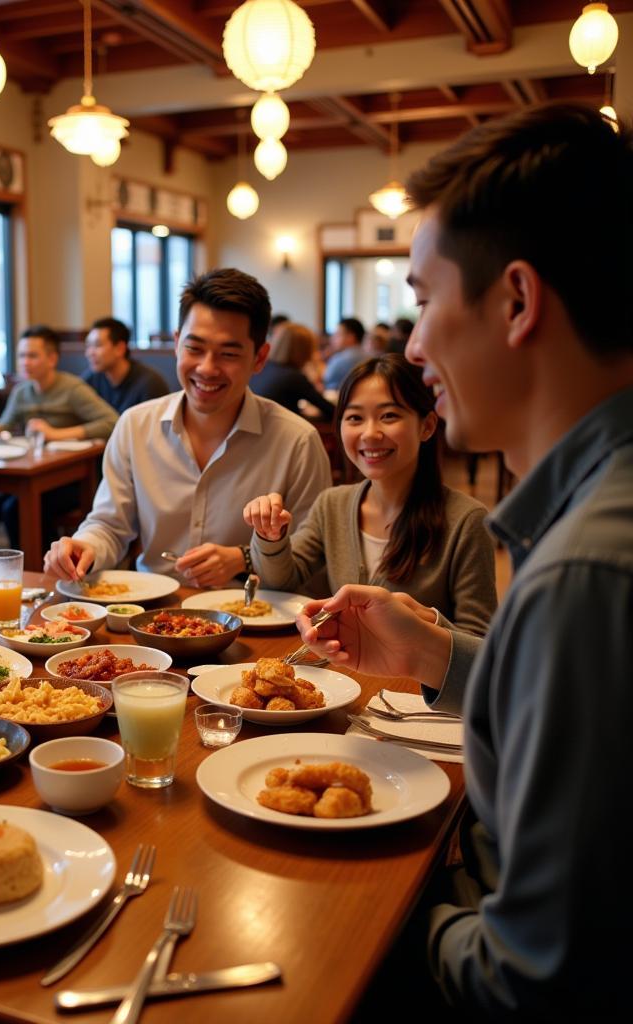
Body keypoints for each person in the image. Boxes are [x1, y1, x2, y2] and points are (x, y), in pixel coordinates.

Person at [295, 105, 632, 1017]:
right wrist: (436, 655)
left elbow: (533, 973)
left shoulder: (585, 573)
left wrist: (398, 909)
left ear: (517, 302)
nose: (411, 347)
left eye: (422, 300)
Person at [44, 268, 331, 586]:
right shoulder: (135, 426)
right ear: (177, 343)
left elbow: (312, 557)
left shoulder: (297, 441)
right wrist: (86, 546)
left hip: (252, 616)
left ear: (260, 357)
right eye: (194, 348)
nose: (207, 368)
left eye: (229, 353)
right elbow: (111, 524)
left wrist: (244, 557)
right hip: (152, 614)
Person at [245, 354, 496, 636]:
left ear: (426, 426)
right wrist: (270, 536)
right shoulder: (333, 504)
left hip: (412, 681)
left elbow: (481, 644)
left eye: (389, 416)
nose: (370, 433)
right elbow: (281, 583)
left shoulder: (466, 521)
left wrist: (427, 621)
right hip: (341, 676)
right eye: (354, 418)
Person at [0, 325, 118, 442]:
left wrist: (55, 434)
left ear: (52, 359)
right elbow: (4, 424)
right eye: (21, 356)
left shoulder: (73, 389)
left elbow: (112, 422)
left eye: (32, 356)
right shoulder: (20, 391)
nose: (25, 362)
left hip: (69, 461)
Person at [82, 316, 169, 414]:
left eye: (97, 345)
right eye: (88, 346)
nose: (89, 353)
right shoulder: (90, 379)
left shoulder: (149, 384)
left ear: (120, 349)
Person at [252, 320, 335, 421]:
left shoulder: (263, 368)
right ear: (304, 349)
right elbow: (330, 410)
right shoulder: (294, 377)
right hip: (280, 431)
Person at [322, 316, 368, 391]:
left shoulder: (341, 359)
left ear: (350, 337)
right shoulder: (369, 356)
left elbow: (326, 381)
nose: (332, 338)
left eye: (337, 334)